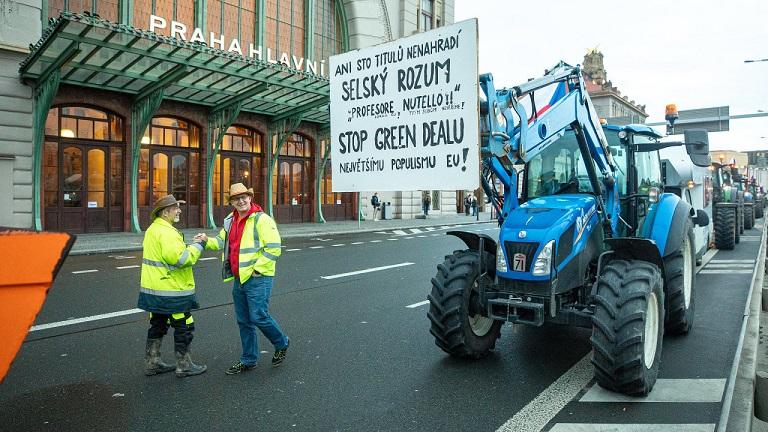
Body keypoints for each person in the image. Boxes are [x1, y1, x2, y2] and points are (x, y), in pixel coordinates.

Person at [197, 183, 289, 375]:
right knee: (243, 321)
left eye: (244, 197)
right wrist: (206, 240)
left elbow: (274, 248)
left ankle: (281, 342)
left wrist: (257, 270)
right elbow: (221, 242)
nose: (241, 201)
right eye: (236, 198)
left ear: (250, 198)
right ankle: (248, 359)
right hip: (239, 279)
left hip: (258, 278)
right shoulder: (230, 220)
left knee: (258, 316)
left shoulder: (262, 220)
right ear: (231, 202)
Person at [138, 194, 207, 378]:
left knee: (158, 324)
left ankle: (153, 363)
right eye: (176, 207)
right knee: (184, 325)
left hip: (153, 290)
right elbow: (181, 259)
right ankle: (183, 366)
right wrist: (198, 245)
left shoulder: (153, 229)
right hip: (171, 290)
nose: (179, 210)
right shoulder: (167, 232)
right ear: (166, 211)